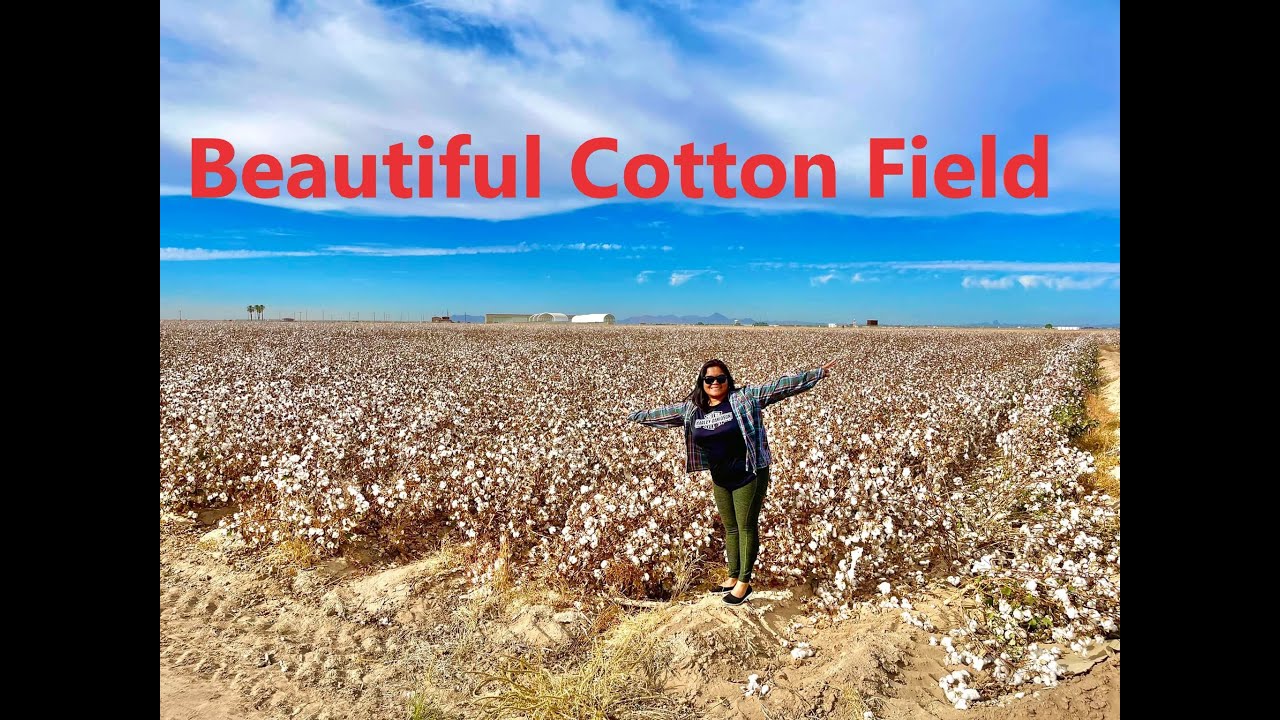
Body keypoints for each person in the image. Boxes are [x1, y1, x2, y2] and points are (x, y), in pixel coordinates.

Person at [627, 358, 837, 605]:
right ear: (702, 383)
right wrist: (634, 416)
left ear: (728, 380)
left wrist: (817, 374)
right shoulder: (693, 409)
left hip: (749, 473)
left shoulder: (744, 399)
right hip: (720, 478)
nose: (715, 383)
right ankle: (732, 576)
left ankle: (744, 584)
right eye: (709, 379)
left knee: (746, 526)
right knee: (731, 528)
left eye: (720, 378)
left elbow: (780, 387)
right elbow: (662, 414)